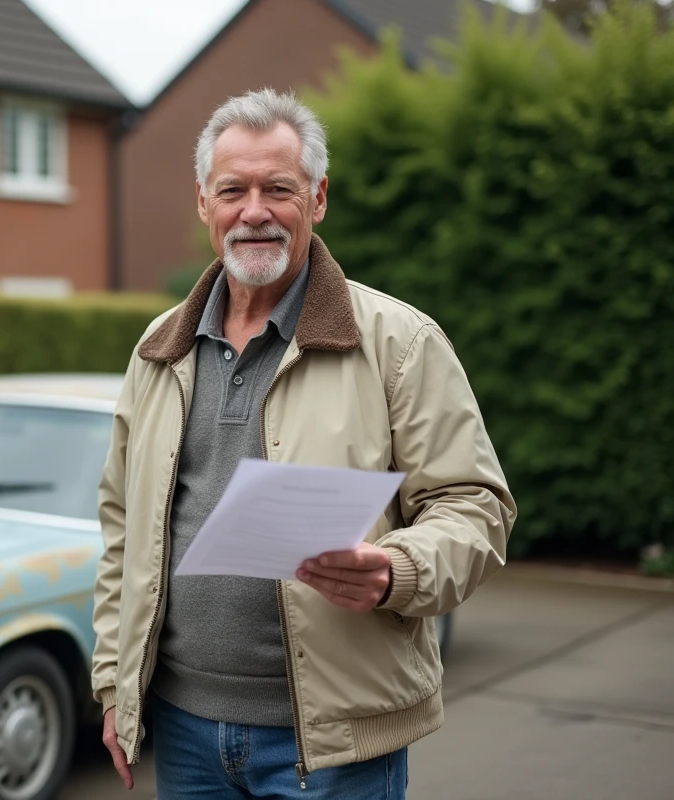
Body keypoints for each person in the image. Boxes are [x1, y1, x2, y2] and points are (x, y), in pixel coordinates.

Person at [91, 88, 516, 799]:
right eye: (233, 190)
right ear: (204, 204)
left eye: (277, 188)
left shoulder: (400, 343)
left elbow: (476, 507)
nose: (253, 210)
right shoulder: (157, 350)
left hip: (332, 745)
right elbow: (120, 529)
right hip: (185, 730)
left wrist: (396, 569)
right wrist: (113, 685)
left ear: (317, 199)